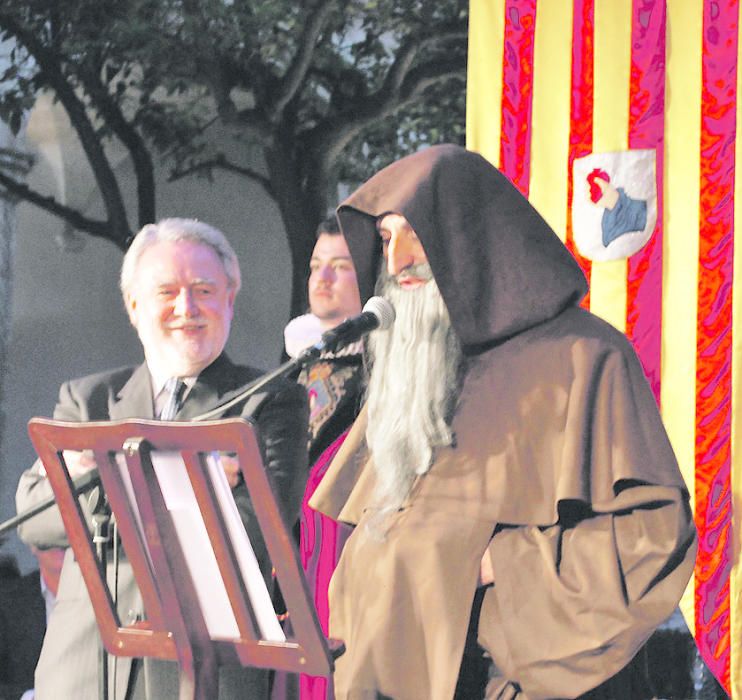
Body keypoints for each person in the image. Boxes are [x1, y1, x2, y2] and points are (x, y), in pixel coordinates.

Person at [309, 145, 697, 700]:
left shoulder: (585, 358)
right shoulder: (412, 374)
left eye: (418, 233)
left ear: (472, 234)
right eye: (389, 238)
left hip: (523, 680)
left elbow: (650, 539)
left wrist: (495, 564)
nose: (398, 263)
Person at [15, 218, 308, 700]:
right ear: (134, 306)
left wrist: (97, 475)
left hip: (203, 673)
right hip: (84, 667)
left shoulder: (270, 402)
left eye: (204, 290)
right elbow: (36, 519)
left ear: (230, 299)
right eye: (166, 291)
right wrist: (201, 480)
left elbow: (258, 528)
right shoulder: (88, 400)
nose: (186, 308)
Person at [278, 217, 363, 700]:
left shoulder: (390, 364)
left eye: (340, 266)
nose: (321, 278)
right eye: (315, 266)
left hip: (346, 553)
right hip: (296, 556)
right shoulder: (294, 362)